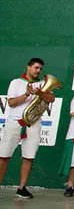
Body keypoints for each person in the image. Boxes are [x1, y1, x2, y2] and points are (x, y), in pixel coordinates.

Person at [0, 58, 53, 199]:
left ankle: (22, 188)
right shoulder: (16, 82)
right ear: (28, 67)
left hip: (33, 124)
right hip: (14, 123)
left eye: (41, 69)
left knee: (28, 157)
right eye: (36, 67)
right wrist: (27, 94)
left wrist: (40, 93)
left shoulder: (42, 84)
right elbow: (11, 103)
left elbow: (51, 99)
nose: (38, 71)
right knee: (3, 156)